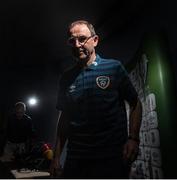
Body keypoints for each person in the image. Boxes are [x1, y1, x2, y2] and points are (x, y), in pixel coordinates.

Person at [50, 20, 142, 178]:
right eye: (72, 41)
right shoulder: (66, 78)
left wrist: (133, 139)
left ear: (95, 40)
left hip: (112, 157)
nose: (77, 44)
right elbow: (64, 118)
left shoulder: (114, 67)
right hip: (77, 158)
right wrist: (56, 157)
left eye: (82, 39)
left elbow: (135, 103)